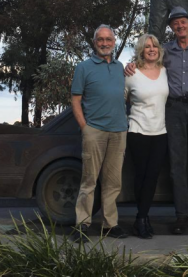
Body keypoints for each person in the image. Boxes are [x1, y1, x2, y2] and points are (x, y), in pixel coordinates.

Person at [126, 6, 188, 238]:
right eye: (175, 23)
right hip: (172, 110)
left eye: (183, 21)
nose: (179, 26)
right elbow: (148, 67)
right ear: (171, 27)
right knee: (177, 166)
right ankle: (181, 217)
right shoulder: (166, 50)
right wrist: (130, 65)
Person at [70, 25, 128, 242]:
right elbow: (75, 99)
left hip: (119, 131)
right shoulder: (83, 68)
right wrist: (85, 127)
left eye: (109, 40)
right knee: (89, 181)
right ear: (94, 43)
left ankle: (109, 224)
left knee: (113, 182)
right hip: (94, 131)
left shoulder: (120, 67)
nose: (105, 43)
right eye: (100, 40)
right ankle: (82, 224)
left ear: (114, 42)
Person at [125, 34, 169, 239]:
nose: (152, 49)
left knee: (152, 177)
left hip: (160, 132)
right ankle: (141, 219)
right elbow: (119, 100)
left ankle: (142, 217)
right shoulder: (131, 74)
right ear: (141, 50)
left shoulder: (165, 72)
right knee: (141, 176)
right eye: (147, 46)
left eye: (155, 46)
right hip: (137, 131)